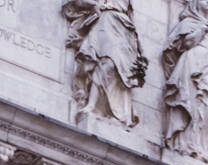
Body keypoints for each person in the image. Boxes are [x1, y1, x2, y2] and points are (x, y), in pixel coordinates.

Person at [162, 0, 208, 162]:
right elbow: (185, 43)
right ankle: (186, 144)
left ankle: (205, 149)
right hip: (193, 64)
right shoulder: (189, 23)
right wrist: (203, 29)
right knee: (192, 102)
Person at [62, 0, 147, 129]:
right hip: (106, 21)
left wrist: (140, 49)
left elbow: (131, 16)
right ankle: (92, 104)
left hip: (123, 26)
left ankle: (115, 112)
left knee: (118, 68)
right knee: (107, 62)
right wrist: (93, 5)